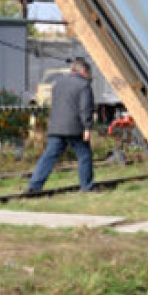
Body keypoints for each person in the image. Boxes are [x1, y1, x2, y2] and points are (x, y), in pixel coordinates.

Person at [26, 57, 95, 194]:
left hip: (56, 127)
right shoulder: (84, 85)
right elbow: (85, 108)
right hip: (75, 128)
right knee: (84, 155)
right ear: (84, 71)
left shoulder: (58, 83)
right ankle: (86, 187)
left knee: (49, 156)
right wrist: (87, 127)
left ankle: (34, 185)